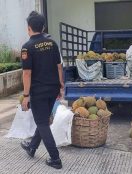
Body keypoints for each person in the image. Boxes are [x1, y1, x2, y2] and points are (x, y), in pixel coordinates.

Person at [20, 11, 64, 169]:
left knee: (42, 123)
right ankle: (32, 147)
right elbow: (59, 67)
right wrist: (60, 85)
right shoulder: (52, 43)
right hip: (53, 89)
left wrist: (26, 95)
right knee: (43, 119)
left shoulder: (27, 47)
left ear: (29, 28)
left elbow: (27, 73)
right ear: (43, 26)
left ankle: (55, 159)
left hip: (38, 91)